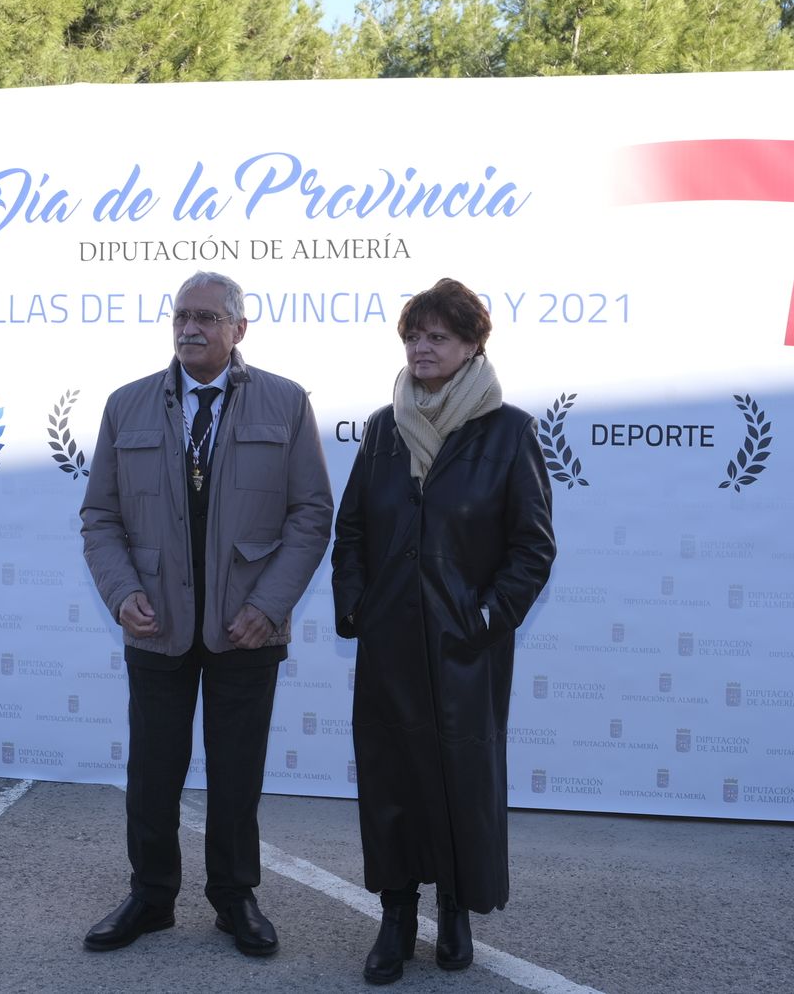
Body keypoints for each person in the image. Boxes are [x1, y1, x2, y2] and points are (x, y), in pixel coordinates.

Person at [79, 269, 333, 957]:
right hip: (156, 622)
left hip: (245, 627)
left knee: (237, 774)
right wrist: (121, 593)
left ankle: (234, 897)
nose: (190, 328)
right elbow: (100, 517)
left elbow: (311, 514)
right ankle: (151, 896)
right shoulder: (126, 405)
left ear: (239, 329)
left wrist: (268, 606)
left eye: (207, 318)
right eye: (181, 316)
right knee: (151, 773)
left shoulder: (286, 402)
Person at [331, 278, 556, 984]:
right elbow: (352, 529)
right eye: (413, 336)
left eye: (438, 337)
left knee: (461, 783)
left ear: (471, 346)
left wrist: (485, 618)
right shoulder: (382, 428)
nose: (421, 348)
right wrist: (357, 608)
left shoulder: (509, 430)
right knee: (390, 782)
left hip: (465, 650)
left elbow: (532, 547)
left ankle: (455, 910)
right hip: (390, 644)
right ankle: (396, 916)